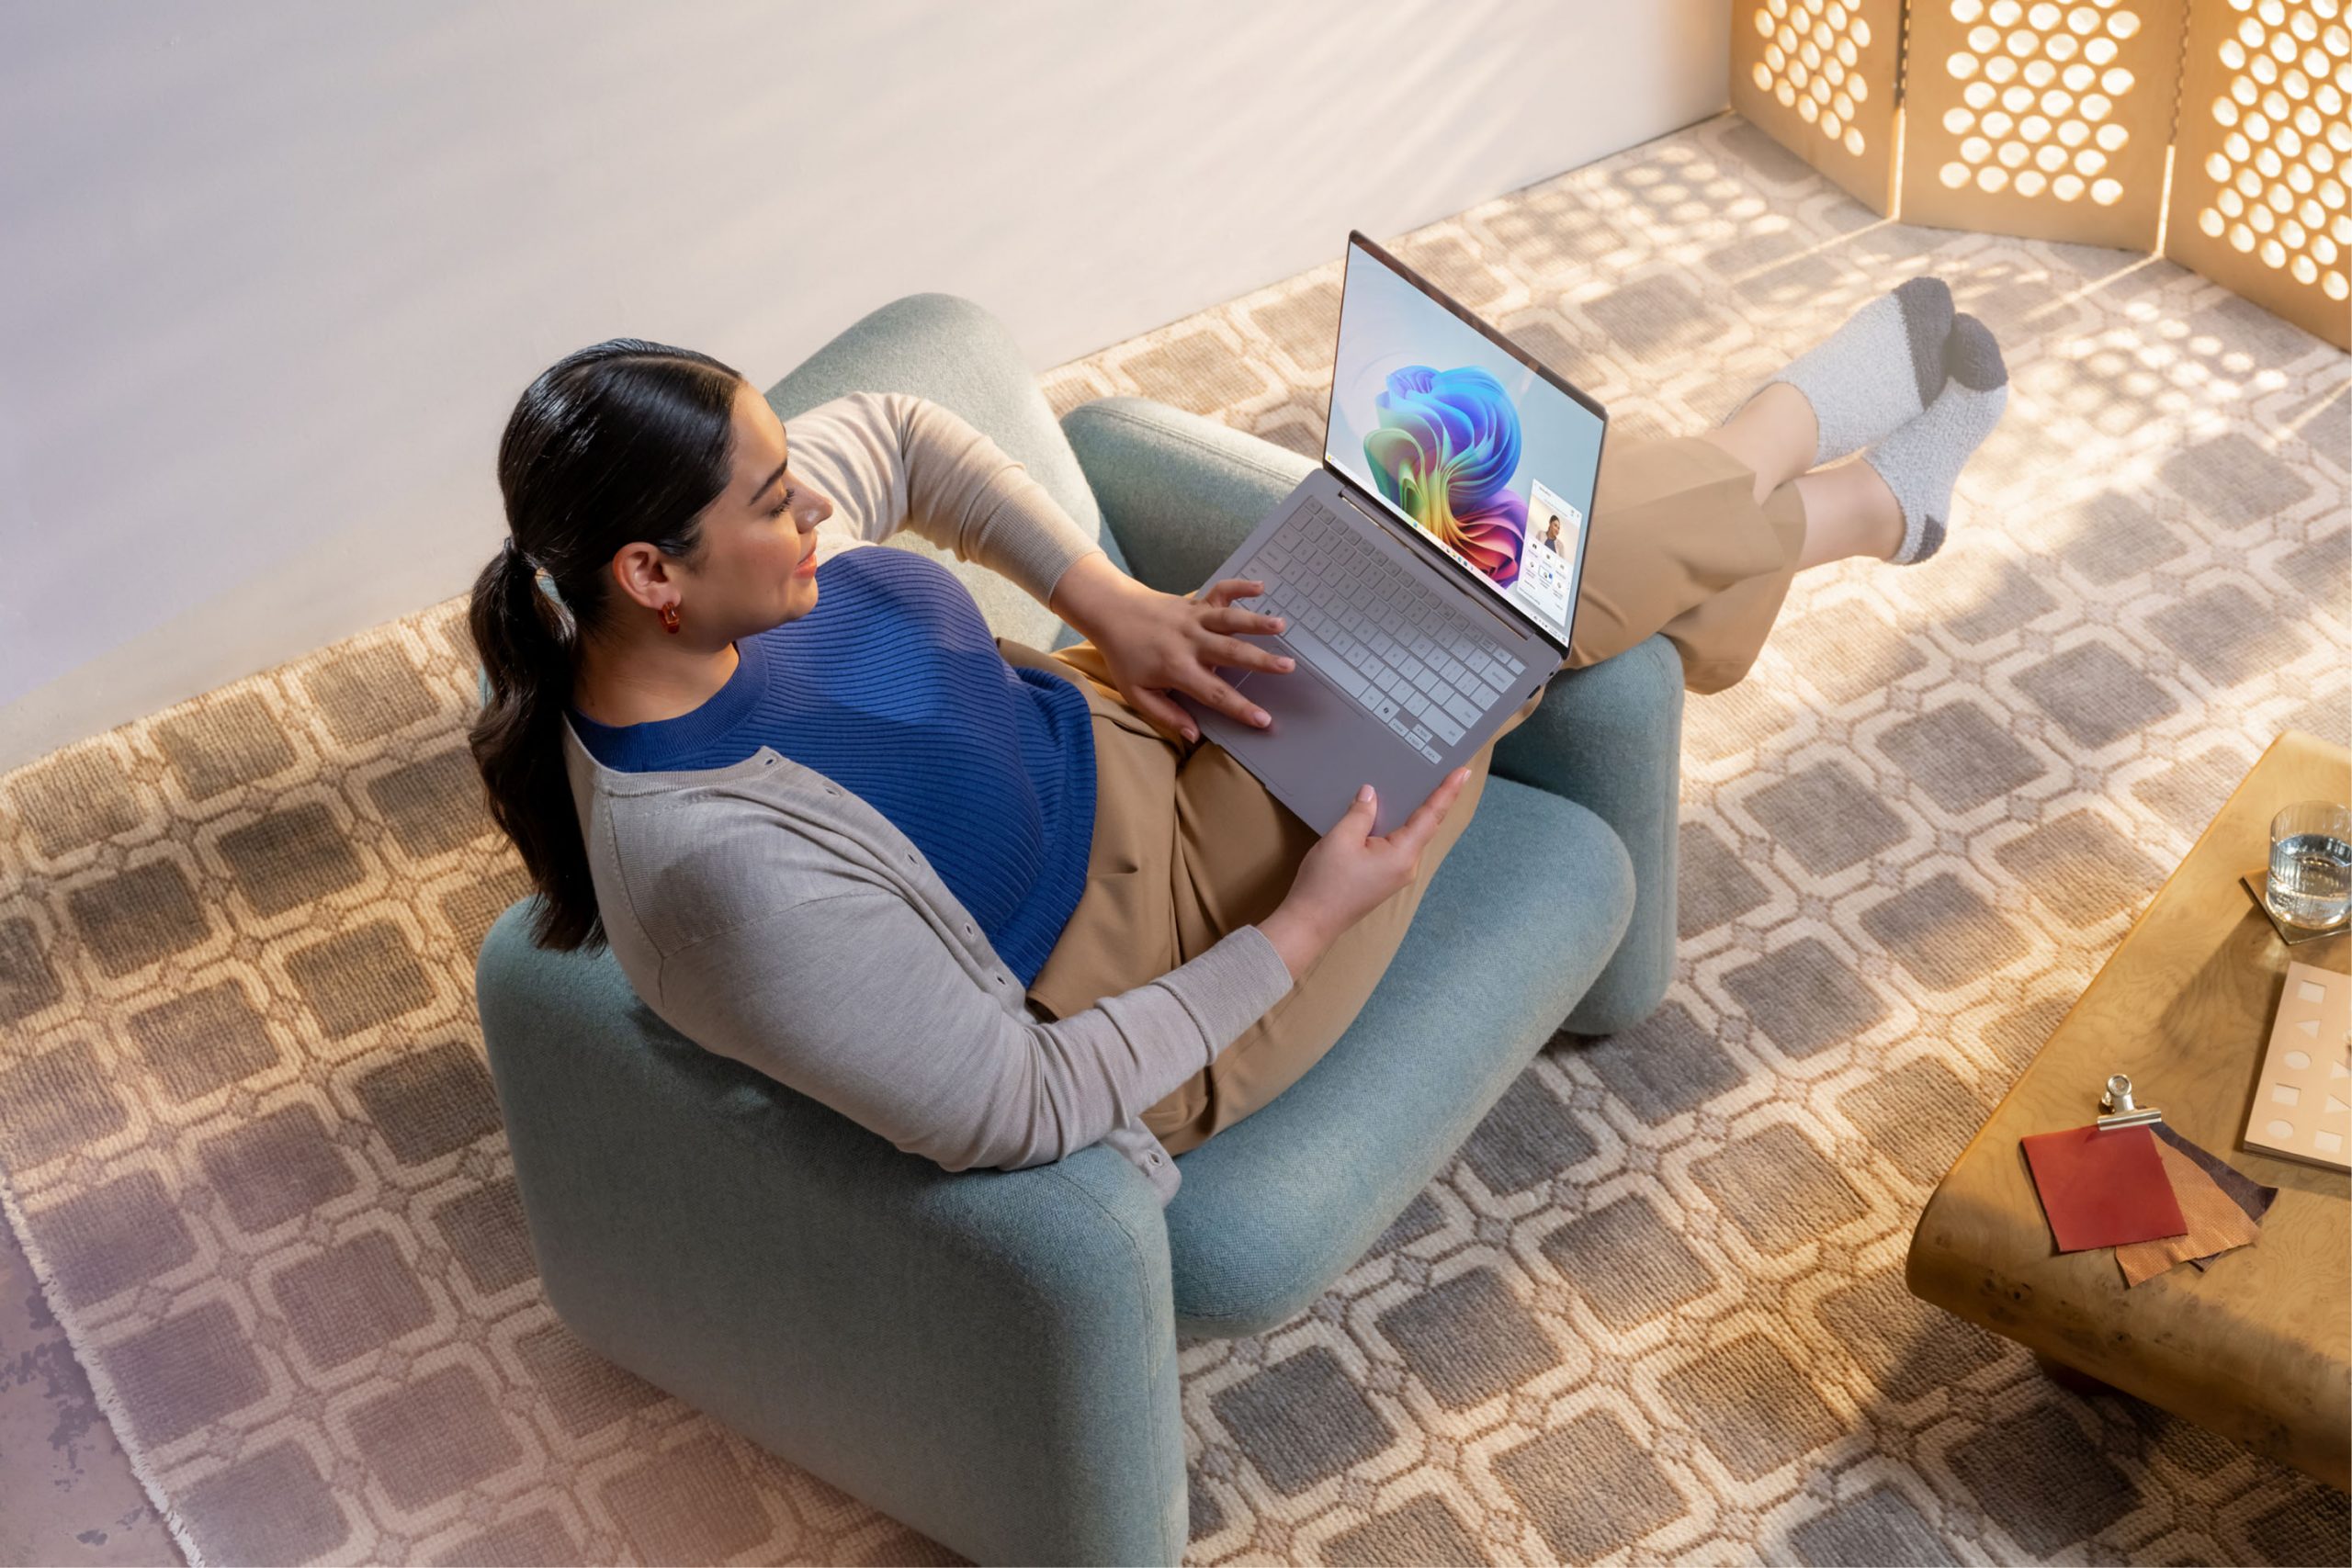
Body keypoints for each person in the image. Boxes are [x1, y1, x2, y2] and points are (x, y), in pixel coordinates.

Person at [467, 277, 2007, 1202]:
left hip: (1128, 713)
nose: (815, 504)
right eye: (773, 499)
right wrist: (1306, 925)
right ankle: (1824, 485)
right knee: (1479, 590)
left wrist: (1121, 605)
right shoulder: (717, 872)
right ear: (648, 578)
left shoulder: (716, 592)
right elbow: (1020, 1103)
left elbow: (909, 436)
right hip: (1164, 955)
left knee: (1448, 502)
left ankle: (1799, 498)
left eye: (792, 473)